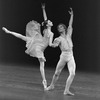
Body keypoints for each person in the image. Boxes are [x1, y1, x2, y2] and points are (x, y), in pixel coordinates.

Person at [2, 4, 54, 90]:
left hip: (39, 42)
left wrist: (43, 9)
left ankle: (9, 32)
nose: (51, 22)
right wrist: (55, 44)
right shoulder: (50, 33)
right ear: (48, 25)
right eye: (50, 22)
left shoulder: (47, 30)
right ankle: (44, 82)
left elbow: (45, 20)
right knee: (42, 65)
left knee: (24, 38)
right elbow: (50, 44)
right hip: (39, 46)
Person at [46, 8, 76, 96]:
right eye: (58, 28)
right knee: (56, 73)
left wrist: (72, 15)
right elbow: (53, 45)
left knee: (72, 73)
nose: (59, 28)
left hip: (71, 55)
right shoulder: (58, 39)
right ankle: (52, 85)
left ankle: (66, 90)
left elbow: (70, 25)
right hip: (63, 56)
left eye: (61, 27)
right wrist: (51, 43)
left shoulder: (68, 34)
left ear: (64, 28)